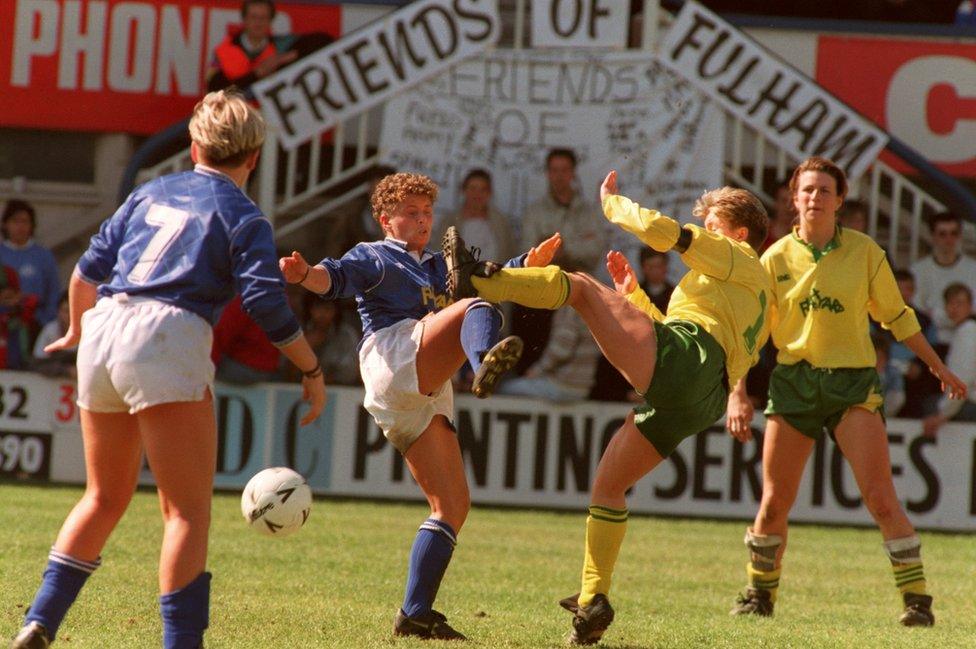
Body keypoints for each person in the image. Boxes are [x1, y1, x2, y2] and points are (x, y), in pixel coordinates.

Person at [10, 90, 326, 649]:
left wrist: (79, 332)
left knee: (103, 497)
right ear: (253, 157)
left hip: (105, 326)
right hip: (168, 334)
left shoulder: (149, 191)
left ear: (194, 144)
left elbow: (85, 274)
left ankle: (39, 621)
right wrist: (311, 367)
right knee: (185, 513)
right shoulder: (244, 216)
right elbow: (266, 304)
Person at [445, 169, 772, 645]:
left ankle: (479, 280)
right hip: (704, 395)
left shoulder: (737, 255)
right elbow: (695, 339)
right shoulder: (753, 292)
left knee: (578, 287)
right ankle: (592, 601)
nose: (705, 229)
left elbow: (667, 235)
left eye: (714, 223)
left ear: (740, 233)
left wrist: (612, 205)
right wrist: (634, 297)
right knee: (608, 486)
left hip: (688, 364)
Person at [280, 171, 560, 640]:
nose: (422, 220)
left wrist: (525, 262)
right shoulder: (374, 255)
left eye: (427, 212)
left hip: (420, 385)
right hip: (393, 356)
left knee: (452, 505)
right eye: (411, 212)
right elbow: (336, 279)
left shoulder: (436, 264)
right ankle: (481, 365)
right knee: (476, 307)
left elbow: (487, 275)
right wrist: (305, 275)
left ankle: (414, 614)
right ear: (385, 219)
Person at [725, 156, 967, 628]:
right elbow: (749, 335)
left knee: (880, 497)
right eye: (807, 190)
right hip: (794, 383)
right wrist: (737, 392)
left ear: (840, 200)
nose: (815, 198)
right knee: (774, 502)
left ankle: (917, 601)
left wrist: (937, 366)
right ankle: (759, 595)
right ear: (794, 199)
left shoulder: (865, 252)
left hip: (851, 383)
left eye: (824, 191)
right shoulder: (772, 259)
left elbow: (897, 318)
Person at [514, 148, 607, 372]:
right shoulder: (534, 212)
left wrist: (562, 248)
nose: (559, 176)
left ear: (573, 173)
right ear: (547, 173)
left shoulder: (589, 212)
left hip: (576, 291)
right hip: (540, 294)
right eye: (554, 170)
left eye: (564, 170)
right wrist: (561, 250)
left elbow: (595, 249)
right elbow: (526, 252)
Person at [205, 0, 333, 92]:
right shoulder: (223, 52)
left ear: (271, 21)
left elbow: (324, 40)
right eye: (253, 17)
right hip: (235, 121)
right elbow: (214, 91)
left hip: (269, 121)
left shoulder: (280, 46)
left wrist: (285, 57)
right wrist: (257, 74)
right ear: (244, 19)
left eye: (263, 18)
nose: (258, 23)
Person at [495, 306, 601, 403]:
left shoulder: (569, 309)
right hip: (582, 388)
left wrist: (536, 371)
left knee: (505, 389)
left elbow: (561, 351)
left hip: (563, 386)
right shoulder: (589, 308)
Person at [910, 211, 976, 345]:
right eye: (942, 234)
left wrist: (937, 314)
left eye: (954, 233)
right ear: (933, 236)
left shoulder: (973, 269)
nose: (949, 240)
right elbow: (917, 310)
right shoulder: (917, 271)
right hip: (930, 341)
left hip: (968, 340)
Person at [922, 283, 976, 436]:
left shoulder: (968, 332)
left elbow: (962, 379)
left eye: (960, 303)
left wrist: (942, 415)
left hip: (972, 404)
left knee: (930, 404)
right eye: (950, 303)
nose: (954, 308)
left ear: (970, 306)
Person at [433, 169, 517, 265]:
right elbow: (439, 254)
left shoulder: (500, 222)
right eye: (473, 188)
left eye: (483, 189)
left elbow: (511, 254)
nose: (477, 194)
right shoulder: (450, 222)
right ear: (464, 190)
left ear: (489, 192)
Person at [1, 199, 61, 327]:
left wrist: (46, 322)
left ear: (32, 225)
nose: (20, 227)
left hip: (36, 324)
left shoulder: (44, 256)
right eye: (15, 221)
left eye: (24, 222)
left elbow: (53, 292)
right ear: (5, 224)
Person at [211, 294, 281, 385]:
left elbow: (221, 334)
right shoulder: (275, 295)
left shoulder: (243, 299)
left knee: (196, 367)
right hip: (270, 369)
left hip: (244, 367)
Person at [31, 291, 76, 379]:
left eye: (74, 311)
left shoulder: (88, 332)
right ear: (58, 312)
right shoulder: (50, 331)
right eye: (66, 311)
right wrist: (66, 371)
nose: (70, 316)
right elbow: (37, 364)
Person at [0, 262, 36, 370]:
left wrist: (17, 303)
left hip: (17, 366)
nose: (8, 302)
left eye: (10, 297)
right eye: (4, 299)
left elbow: (32, 301)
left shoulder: (21, 313)